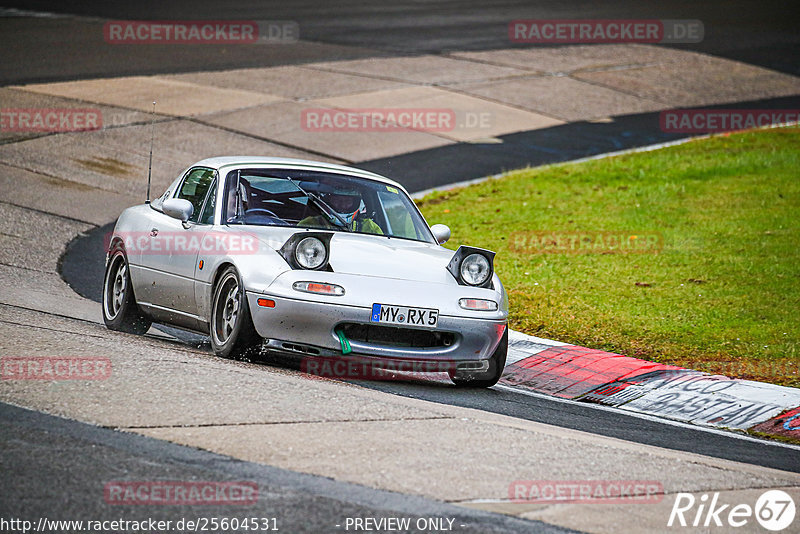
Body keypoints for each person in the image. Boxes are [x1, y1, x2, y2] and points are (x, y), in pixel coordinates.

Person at [299, 182, 383, 235]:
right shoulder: (309, 223)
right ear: (328, 200)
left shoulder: (371, 228)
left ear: (356, 203)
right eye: (337, 200)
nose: (342, 205)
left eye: (348, 201)